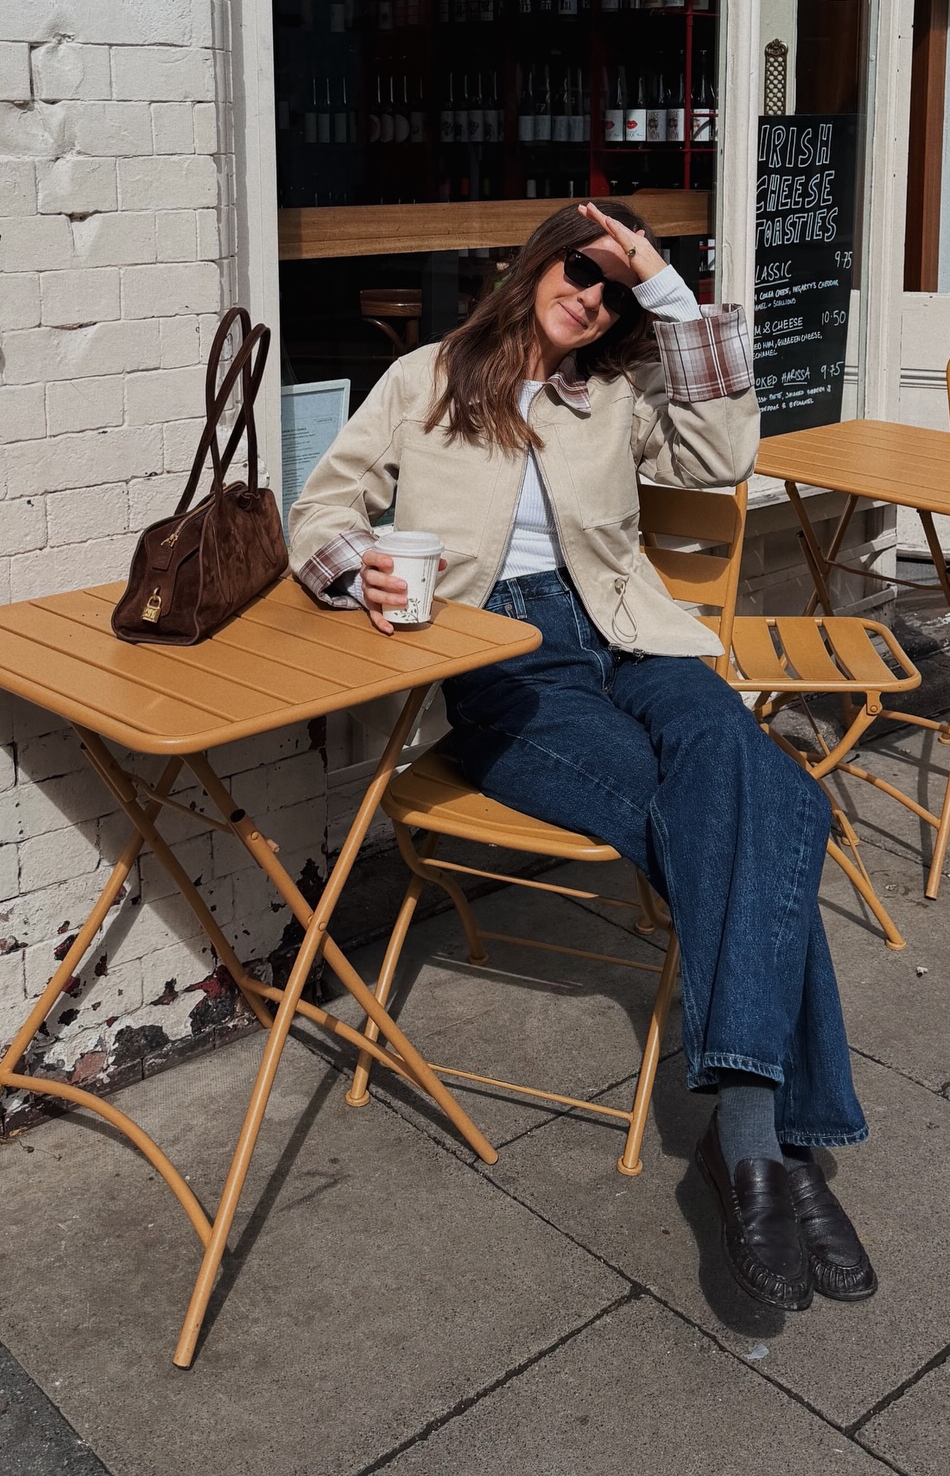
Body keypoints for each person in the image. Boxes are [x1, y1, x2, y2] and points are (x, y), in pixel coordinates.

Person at [288, 201, 875, 1310]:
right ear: (536, 261)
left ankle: (746, 1138)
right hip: (502, 661)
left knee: (739, 769)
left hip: (629, 634)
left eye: (616, 286)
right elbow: (321, 509)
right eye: (581, 268)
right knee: (764, 803)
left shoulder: (614, 391)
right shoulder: (426, 377)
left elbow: (722, 453)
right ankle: (765, 1146)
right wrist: (353, 563)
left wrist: (669, 289)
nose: (592, 295)